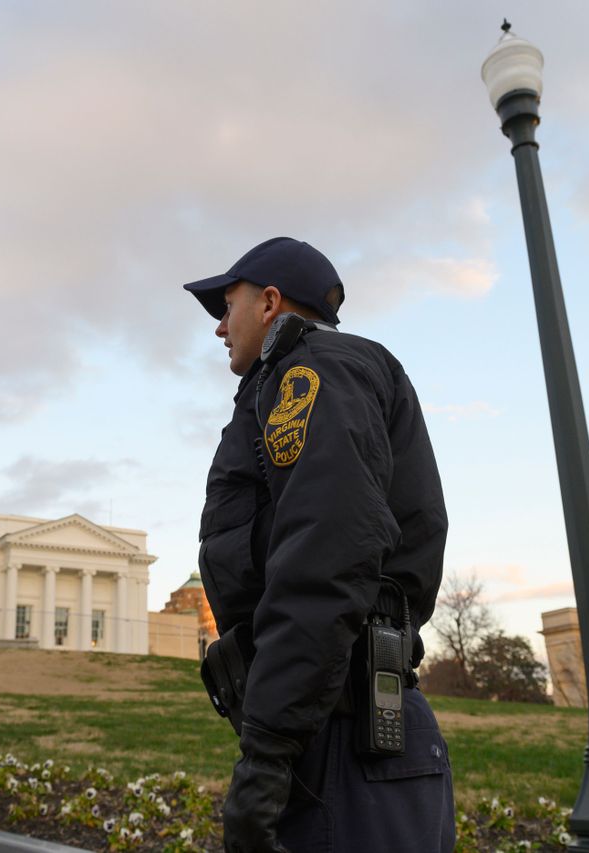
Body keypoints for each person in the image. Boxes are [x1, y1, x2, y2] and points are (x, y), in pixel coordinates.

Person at [183, 237, 455, 852]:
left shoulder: (308, 372)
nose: (220, 328)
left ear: (270, 302)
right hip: (341, 730)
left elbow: (326, 555)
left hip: (340, 744)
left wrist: (269, 752)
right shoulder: (308, 376)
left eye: (226, 307)